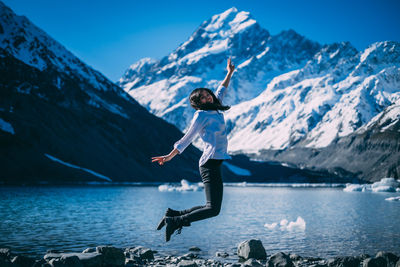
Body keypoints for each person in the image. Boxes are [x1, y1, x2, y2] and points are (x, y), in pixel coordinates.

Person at [151, 58, 235, 242]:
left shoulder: (215, 106)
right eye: (202, 98)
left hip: (214, 162)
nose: (207, 97)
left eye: (207, 95)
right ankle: (176, 221)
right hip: (209, 163)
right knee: (213, 209)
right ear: (197, 103)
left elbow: (222, 89)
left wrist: (229, 72)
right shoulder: (201, 115)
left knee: (211, 206)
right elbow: (187, 138)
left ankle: (173, 214)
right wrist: (170, 156)